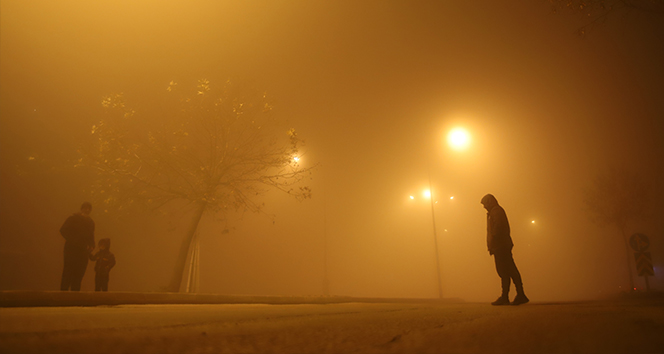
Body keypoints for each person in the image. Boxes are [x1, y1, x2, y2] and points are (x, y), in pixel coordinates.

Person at [481, 194, 529, 306]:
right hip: (501, 246)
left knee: (508, 270)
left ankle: (516, 295)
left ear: (489, 202)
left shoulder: (496, 212)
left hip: (500, 246)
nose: (484, 207)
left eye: (484, 204)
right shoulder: (495, 211)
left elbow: (497, 229)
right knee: (505, 271)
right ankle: (509, 296)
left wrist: (494, 242)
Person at [59, 202, 95, 291]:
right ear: (81, 209)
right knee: (68, 271)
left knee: (79, 273)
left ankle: (75, 295)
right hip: (71, 250)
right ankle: (63, 294)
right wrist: (73, 240)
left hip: (83, 251)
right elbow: (63, 230)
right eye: (85, 208)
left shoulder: (91, 222)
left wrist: (91, 245)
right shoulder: (73, 218)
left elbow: (91, 236)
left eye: (89, 209)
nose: (87, 210)